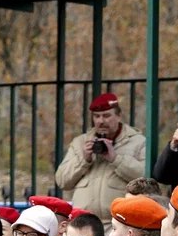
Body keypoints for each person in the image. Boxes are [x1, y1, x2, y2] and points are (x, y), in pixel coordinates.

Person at [55, 94, 148, 226]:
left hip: (119, 222)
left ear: (119, 116)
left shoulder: (138, 142)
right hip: (83, 222)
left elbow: (147, 180)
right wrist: (84, 160)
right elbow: (62, 181)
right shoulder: (80, 142)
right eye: (96, 116)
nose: (100, 121)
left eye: (106, 116)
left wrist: (115, 159)